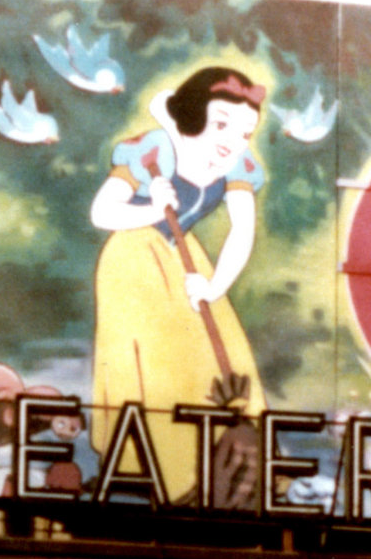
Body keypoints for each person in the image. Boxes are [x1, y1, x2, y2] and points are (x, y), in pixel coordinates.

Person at [88, 65, 271, 503]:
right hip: (133, 258)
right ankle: (161, 474)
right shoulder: (153, 152)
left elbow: (242, 231)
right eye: (221, 124)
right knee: (155, 357)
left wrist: (216, 286)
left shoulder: (239, 164)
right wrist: (153, 209)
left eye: (245, 132)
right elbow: (101, 213)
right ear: (191, 116)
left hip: (184, 254)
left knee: (224, 349)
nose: (233, 140)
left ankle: (233, 468)